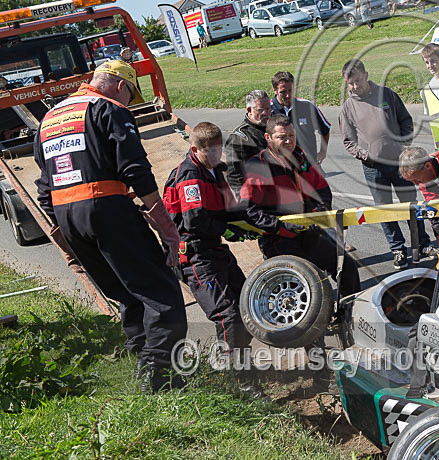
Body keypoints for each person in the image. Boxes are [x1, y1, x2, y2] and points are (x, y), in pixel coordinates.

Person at [32, 60, 187, 392]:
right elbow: (135, 170)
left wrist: (64, 235)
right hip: (105, 208)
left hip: (67, 217)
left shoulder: (49, 118)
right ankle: (162, 381)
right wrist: (167, 228)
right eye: (130, 95)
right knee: (161, 292)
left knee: (127, 294)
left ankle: (141, 366)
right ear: (120, 85)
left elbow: (44, 186)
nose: (128, 103)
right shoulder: (109, 109)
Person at [239, 115, 361, 298]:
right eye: (282, 137)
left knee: (346, 266)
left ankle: (348, 310)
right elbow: (248, 210)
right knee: (310, 285)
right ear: (268, 138)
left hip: (310, 232)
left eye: (291, 135)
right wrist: (281, 226)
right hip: (279, 240)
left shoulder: (300, 157)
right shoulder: (258, 167)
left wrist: (320, 210)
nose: (288, 141)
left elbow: (322, 189)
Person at [163, 122, 254, 356]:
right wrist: (227, 230)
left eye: (218, 148)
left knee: (249, 304)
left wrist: (258, 222)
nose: (216, 155)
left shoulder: (214, 171)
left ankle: (240, 363)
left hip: (214, 249)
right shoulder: (189, 176)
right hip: (194, 256)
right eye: (210, 150)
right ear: (195, 150)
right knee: (227, 315)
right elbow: (195, 221)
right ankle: (239, 380)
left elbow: (230, 209)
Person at [340, 59, 437, 269]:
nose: (355, 86)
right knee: (385, 210)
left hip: (399, 163)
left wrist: (403, 144)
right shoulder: (348, 108)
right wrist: (363, 154)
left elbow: (406, 121)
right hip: (373, 167)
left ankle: (422, 244)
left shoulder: (387, 95)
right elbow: (348, 141)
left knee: (410, 205)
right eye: (350, 83)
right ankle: (398, 249)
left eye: (357, 80)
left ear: (365, 75)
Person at [270, 71, 330, 168]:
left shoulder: (307, 106)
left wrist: (323, 151)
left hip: (308, 165)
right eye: (283, 92)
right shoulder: (268, 111)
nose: (288, 95)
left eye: (291, 90)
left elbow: (325, 129)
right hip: (280, 167)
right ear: (274, 90)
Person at [223, 90, 272, 196]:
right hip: (256, 195)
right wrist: (243, 200)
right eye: (261, 110)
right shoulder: (239, 138)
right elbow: (234, 175)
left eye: (268, 109)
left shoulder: (274, 129)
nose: (266, 113)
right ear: (249, 110)